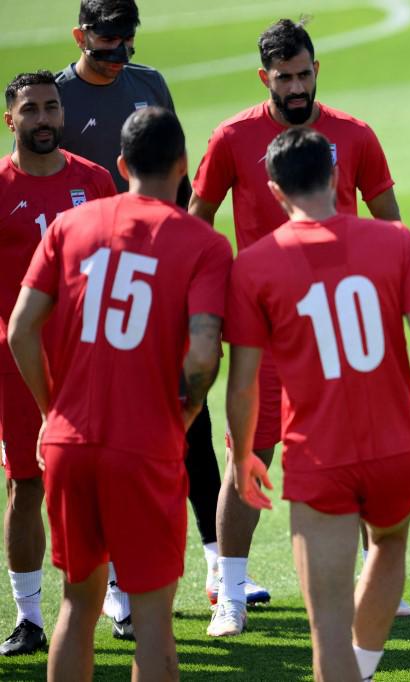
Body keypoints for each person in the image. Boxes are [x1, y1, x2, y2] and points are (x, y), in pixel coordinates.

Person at [223, 127, 410, 682]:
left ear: (273, 190)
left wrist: (243, 455)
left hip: (321, 458)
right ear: (337, 178)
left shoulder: (256, 266)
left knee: (327, 628)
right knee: (387, 547)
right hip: (396, 452)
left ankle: (349, 670)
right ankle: (361, 670)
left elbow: (242, 384)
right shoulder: (396, 242)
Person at [189, 17, 403, 637]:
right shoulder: (232, 138)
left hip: (341, 329)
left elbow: (390, 223)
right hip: (268, 334)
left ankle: (374, 577)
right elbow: (196, 222)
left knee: (357, 449)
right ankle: (229, 593)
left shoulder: (354, 135)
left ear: (316, 70)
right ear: (266, 78)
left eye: (305, 73)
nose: (297, 86)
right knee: (248, 458)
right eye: (284, 78)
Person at [8, 106, 231, 682]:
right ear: (183, 167)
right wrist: (182, 417)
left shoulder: (70, 227)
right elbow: (204, 352)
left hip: (69, 441)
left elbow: (19, 329)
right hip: (144, 445)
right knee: (153, 619)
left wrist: (50, 408)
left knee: (77, 606)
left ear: (122, 163)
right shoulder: (202, 243)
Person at [55, 0, 226, 634]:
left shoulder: (149, 82)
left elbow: (174, 170)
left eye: (127, 43)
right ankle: (117, 584)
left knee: (194, 425)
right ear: (80, 37)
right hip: (96, 274)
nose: (120, 56)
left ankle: (216, 564)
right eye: (106, 46)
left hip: (158, 264)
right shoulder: (59, 100)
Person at [0, 70, 116, 657]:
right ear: (11, 119)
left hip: (90, 358)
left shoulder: (94, 181)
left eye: (51, 108)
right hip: (17, 363)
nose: (43, 119)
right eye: (32, 110)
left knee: (106, 477)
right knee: (25, 481)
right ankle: (28, 617)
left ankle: (121, 601)